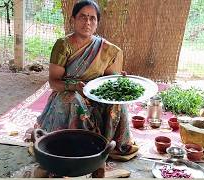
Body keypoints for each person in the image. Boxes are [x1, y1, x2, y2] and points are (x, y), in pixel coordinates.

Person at [35, 0, 138, 162]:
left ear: (97, 22)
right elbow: (54, 82)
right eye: (82, 17)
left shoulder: (105, 48)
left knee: (118, 101)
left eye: (92, 18)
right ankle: (79, 148)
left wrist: (119, 81)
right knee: (73, 100)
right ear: (73, 20)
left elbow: (109, 80)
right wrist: (74, 86)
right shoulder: (63, 45)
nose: (87, 22)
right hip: (68, 91)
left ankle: (109, 144)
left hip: (94, 94)